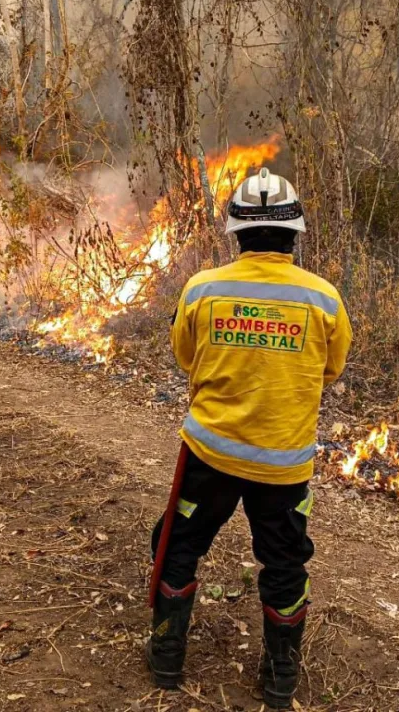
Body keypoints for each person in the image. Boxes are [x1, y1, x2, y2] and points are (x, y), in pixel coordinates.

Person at [146, 167, 352, 709]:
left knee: (176, 548)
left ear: (236, 232)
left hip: (209, 453)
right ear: (295, 234)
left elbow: (187, 358)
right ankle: (280, 681)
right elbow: (328, 371)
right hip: (283, 467)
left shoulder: (204, 289)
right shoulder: (325, 300)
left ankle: (166, 661)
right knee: (285, 566)